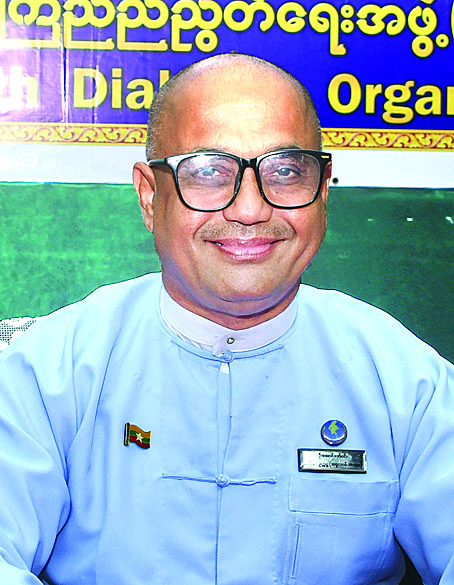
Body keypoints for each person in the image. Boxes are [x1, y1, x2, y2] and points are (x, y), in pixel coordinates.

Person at [0, 53, 453, 585]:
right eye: (209, 171)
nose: (250, 209)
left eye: (285, 171)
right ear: (149, 196)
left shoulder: (405, 381)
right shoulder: (47, 373)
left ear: (324, 189)